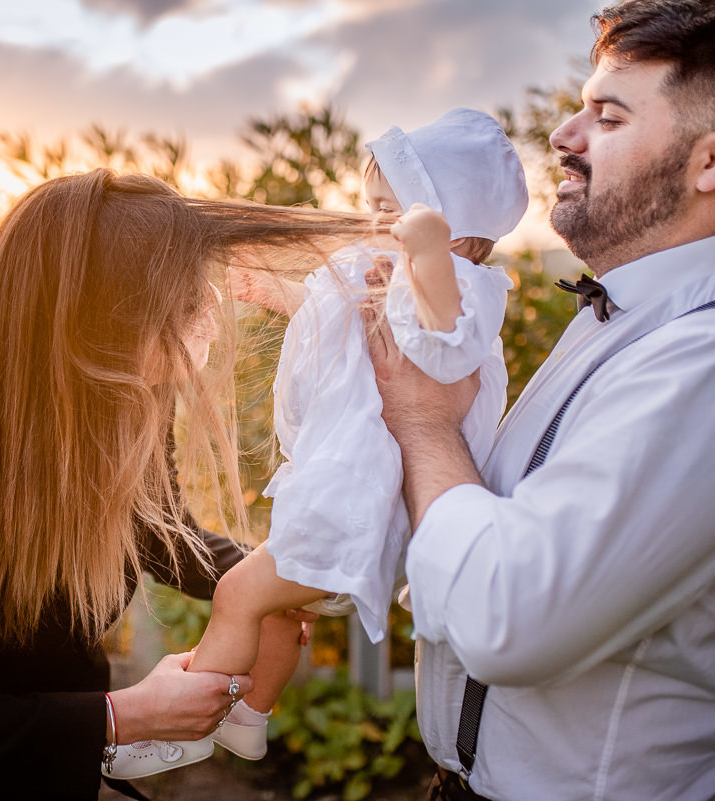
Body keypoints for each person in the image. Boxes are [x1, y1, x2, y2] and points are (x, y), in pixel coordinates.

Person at [0, 169, 383, 801]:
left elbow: (159, 532)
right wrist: (123, 716)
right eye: (181, 295)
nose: (207, 312)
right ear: (100, 313)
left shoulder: (129, 401)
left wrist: (263, 578)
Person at [364, 2, 715, 800]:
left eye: (606, 117)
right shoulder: (622, 317)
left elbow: (511, 617)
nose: (564, 137)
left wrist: (425, 423)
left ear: (714, 160)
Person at [106, 110, 527, 780]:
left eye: (391, 210)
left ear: (447, 224)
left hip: (357, 505)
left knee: (238, 596)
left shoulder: (460, 290)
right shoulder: (386, 271)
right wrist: (269, 290)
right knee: (279, 613)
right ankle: (249, 719)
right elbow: (327, 304)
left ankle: (179, 728)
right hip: (335, 492)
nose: (374, 223)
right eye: (373, 208)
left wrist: (424, 256)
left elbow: (446, 340)